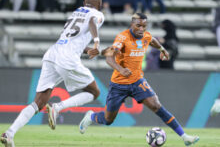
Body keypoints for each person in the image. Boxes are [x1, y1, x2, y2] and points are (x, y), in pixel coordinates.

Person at [79, 13, 199, 146]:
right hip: (119, 84)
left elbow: (152, 40)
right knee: (108, 120)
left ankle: (184, 137)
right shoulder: (122, 37)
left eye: (144, 26)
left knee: (156, 105)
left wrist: (162, 49)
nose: (141, 29)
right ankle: (91, 116)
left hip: (137, 81)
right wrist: (121, 69)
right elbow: (109, 58)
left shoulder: (146, 36)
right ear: (132, 24)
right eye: (138, 25)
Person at [1, 0, 104, 146]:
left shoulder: (75, 13)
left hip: (53, 54)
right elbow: (92, 21)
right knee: (94, 92)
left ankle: (9, 133)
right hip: (67, 58)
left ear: (83, 3)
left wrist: (89, 50)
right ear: (99, 3)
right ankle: (57, 107)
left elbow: (74, 40)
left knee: (38, 103)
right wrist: (96, 43)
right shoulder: (98, 14)